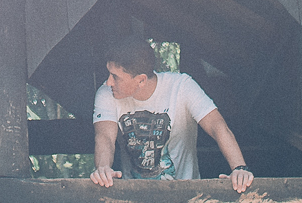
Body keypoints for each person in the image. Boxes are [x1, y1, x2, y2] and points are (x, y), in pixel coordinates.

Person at [90, 38, 254, 192]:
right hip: (133, 198)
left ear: (141, 80)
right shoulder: (107, 93)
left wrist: (239, 168)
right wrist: (103, 169)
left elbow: (217, 126)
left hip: (186, 196)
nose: (108, 82)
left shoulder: (182, 86)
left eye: (115, 77)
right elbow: (105, 137)